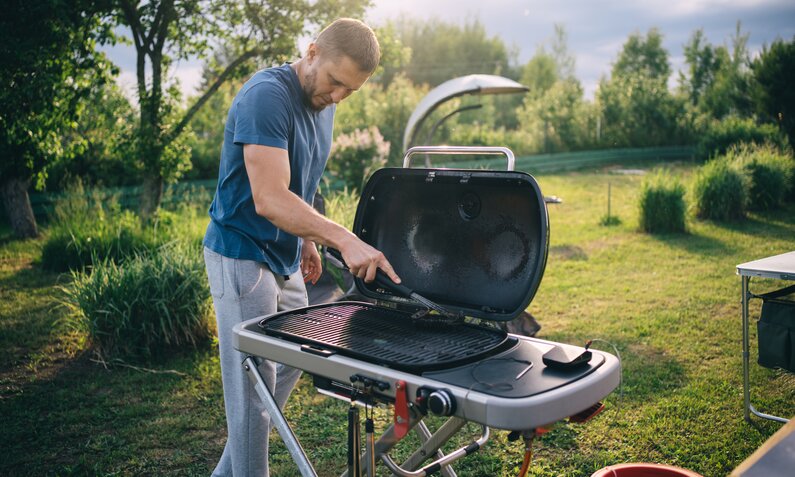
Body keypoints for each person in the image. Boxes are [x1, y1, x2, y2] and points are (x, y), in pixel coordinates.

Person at [202, 18, 400, 477]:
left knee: (278, 380)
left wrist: (308, 239)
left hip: (287, 257)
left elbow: (302, 177)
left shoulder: (326, 101)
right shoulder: (266, 96)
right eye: (335, 82)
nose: (337, 97)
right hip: (241, 253)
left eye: (349, 91)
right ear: (311, 51)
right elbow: (270, 198)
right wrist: (343, 240)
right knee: (254, 400)